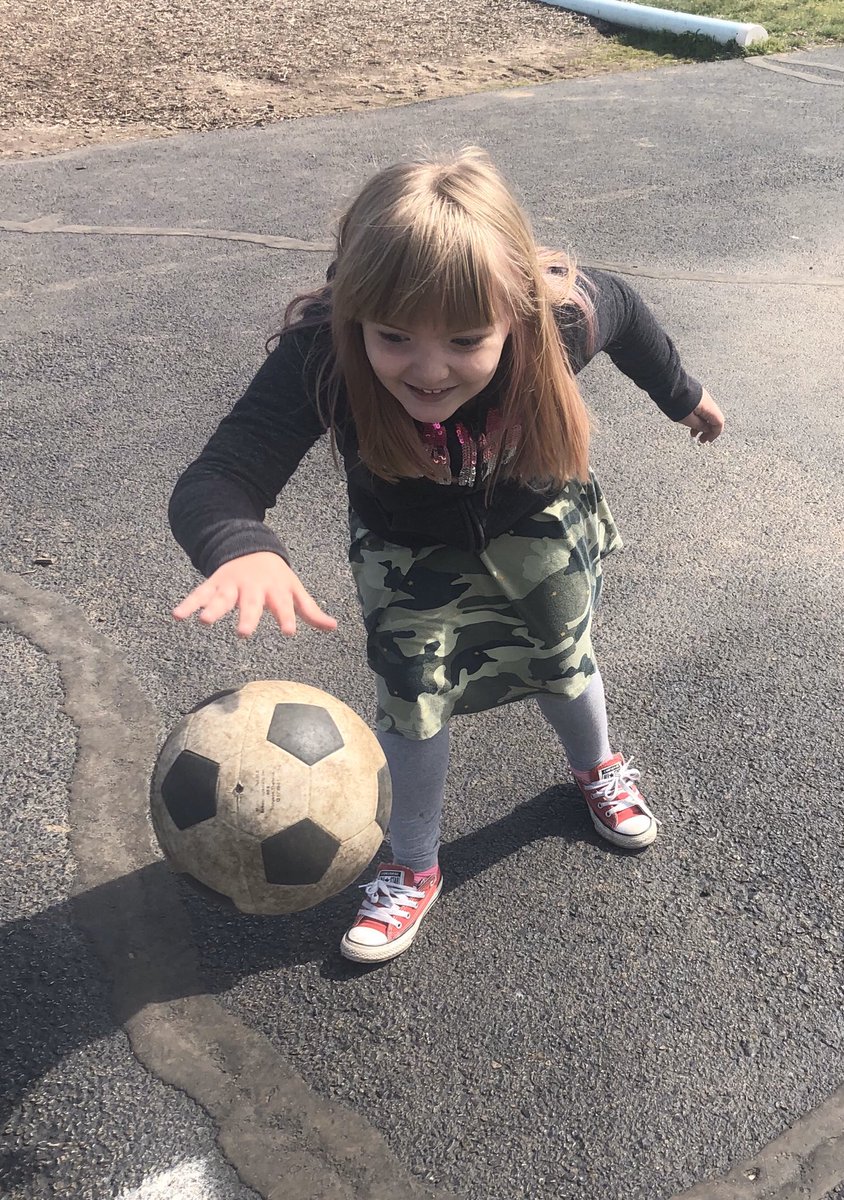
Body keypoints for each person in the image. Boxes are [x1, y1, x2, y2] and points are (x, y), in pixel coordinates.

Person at [169, 147, 724, 964]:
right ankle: (412, 861)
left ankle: (598, 766)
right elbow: (220, 476)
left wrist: (682, 394)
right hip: (407, 552)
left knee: (565, 658)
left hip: (538, 525)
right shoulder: (322, 352)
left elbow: (629, 312)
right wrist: (240, 546)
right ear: (356, 312)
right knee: (413, 700)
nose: (429, 371)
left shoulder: (559, 318)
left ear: (515, 310)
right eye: (394, 337)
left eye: (466, 339)